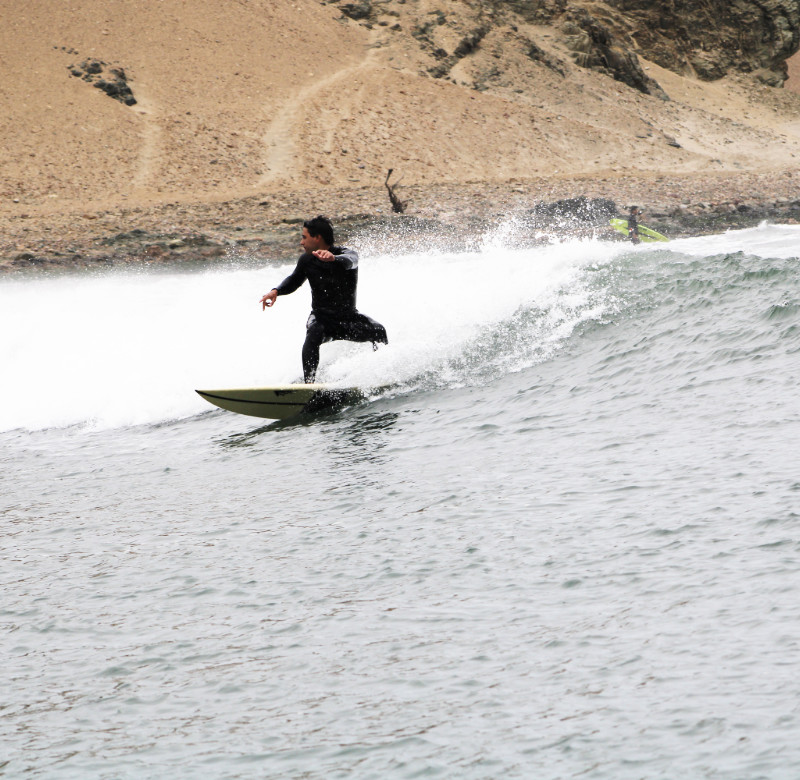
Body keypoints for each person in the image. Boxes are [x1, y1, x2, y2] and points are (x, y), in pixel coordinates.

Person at [260, 216, 388, 383]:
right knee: (313, 333)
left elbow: (350, 262)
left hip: (348, 319)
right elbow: (294, 280)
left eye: (304, 237)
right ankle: (309, 385)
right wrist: (276, 291)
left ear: (317, 238)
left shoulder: (347, 254)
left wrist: (333, 258)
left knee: (379, 331)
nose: (301, 242)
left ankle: (382, 375)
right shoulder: (306, 260)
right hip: (322, 320)